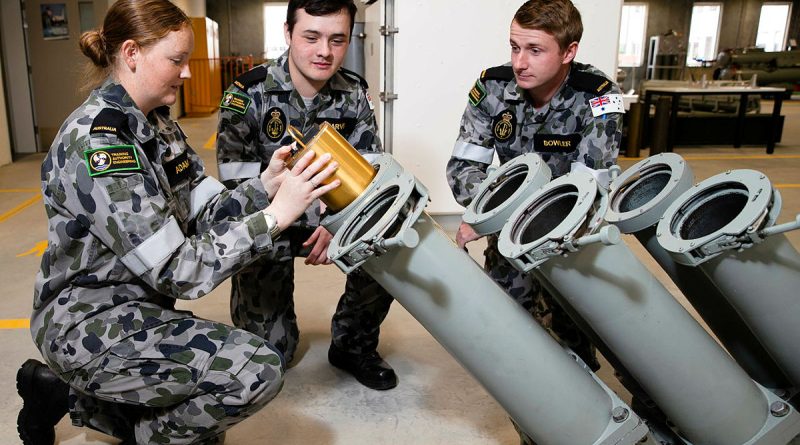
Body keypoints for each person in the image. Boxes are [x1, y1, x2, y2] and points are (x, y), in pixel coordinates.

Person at [16, 1, 340, 444]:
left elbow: (205, 209)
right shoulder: (100, 146)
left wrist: (265, 186)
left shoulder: (158, 127)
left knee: (210, 410)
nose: (187, 73)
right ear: (132, 53)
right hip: (89, 322)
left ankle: (64, 397)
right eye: (176, 60)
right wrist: (277, 215)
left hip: (138, 309)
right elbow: (179, 271)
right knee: (251, 372)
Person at [446, 0, 623, 440]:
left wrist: (499, 211)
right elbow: (463, 169)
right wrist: (491, 216)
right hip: (509, 237)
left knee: (582, 338)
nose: (519, 62)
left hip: (573, 243)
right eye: (514, 47)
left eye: (535, 50)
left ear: (568, 52)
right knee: (510, 341)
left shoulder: (600, 95)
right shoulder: (491, 88)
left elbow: (588, 192)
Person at [216, 0, 398, 391]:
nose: (324, 52)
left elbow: (369, 177)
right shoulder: (246, 95)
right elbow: (233, 188)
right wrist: (285, 212)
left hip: (331, 220)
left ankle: (353, 344)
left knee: (390, 239)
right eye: (311, 37)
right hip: (270, 222)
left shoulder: (353, 93)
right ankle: (268, 334)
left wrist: (337, 225)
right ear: (287, 33)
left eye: (337, 40)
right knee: (270, 356)